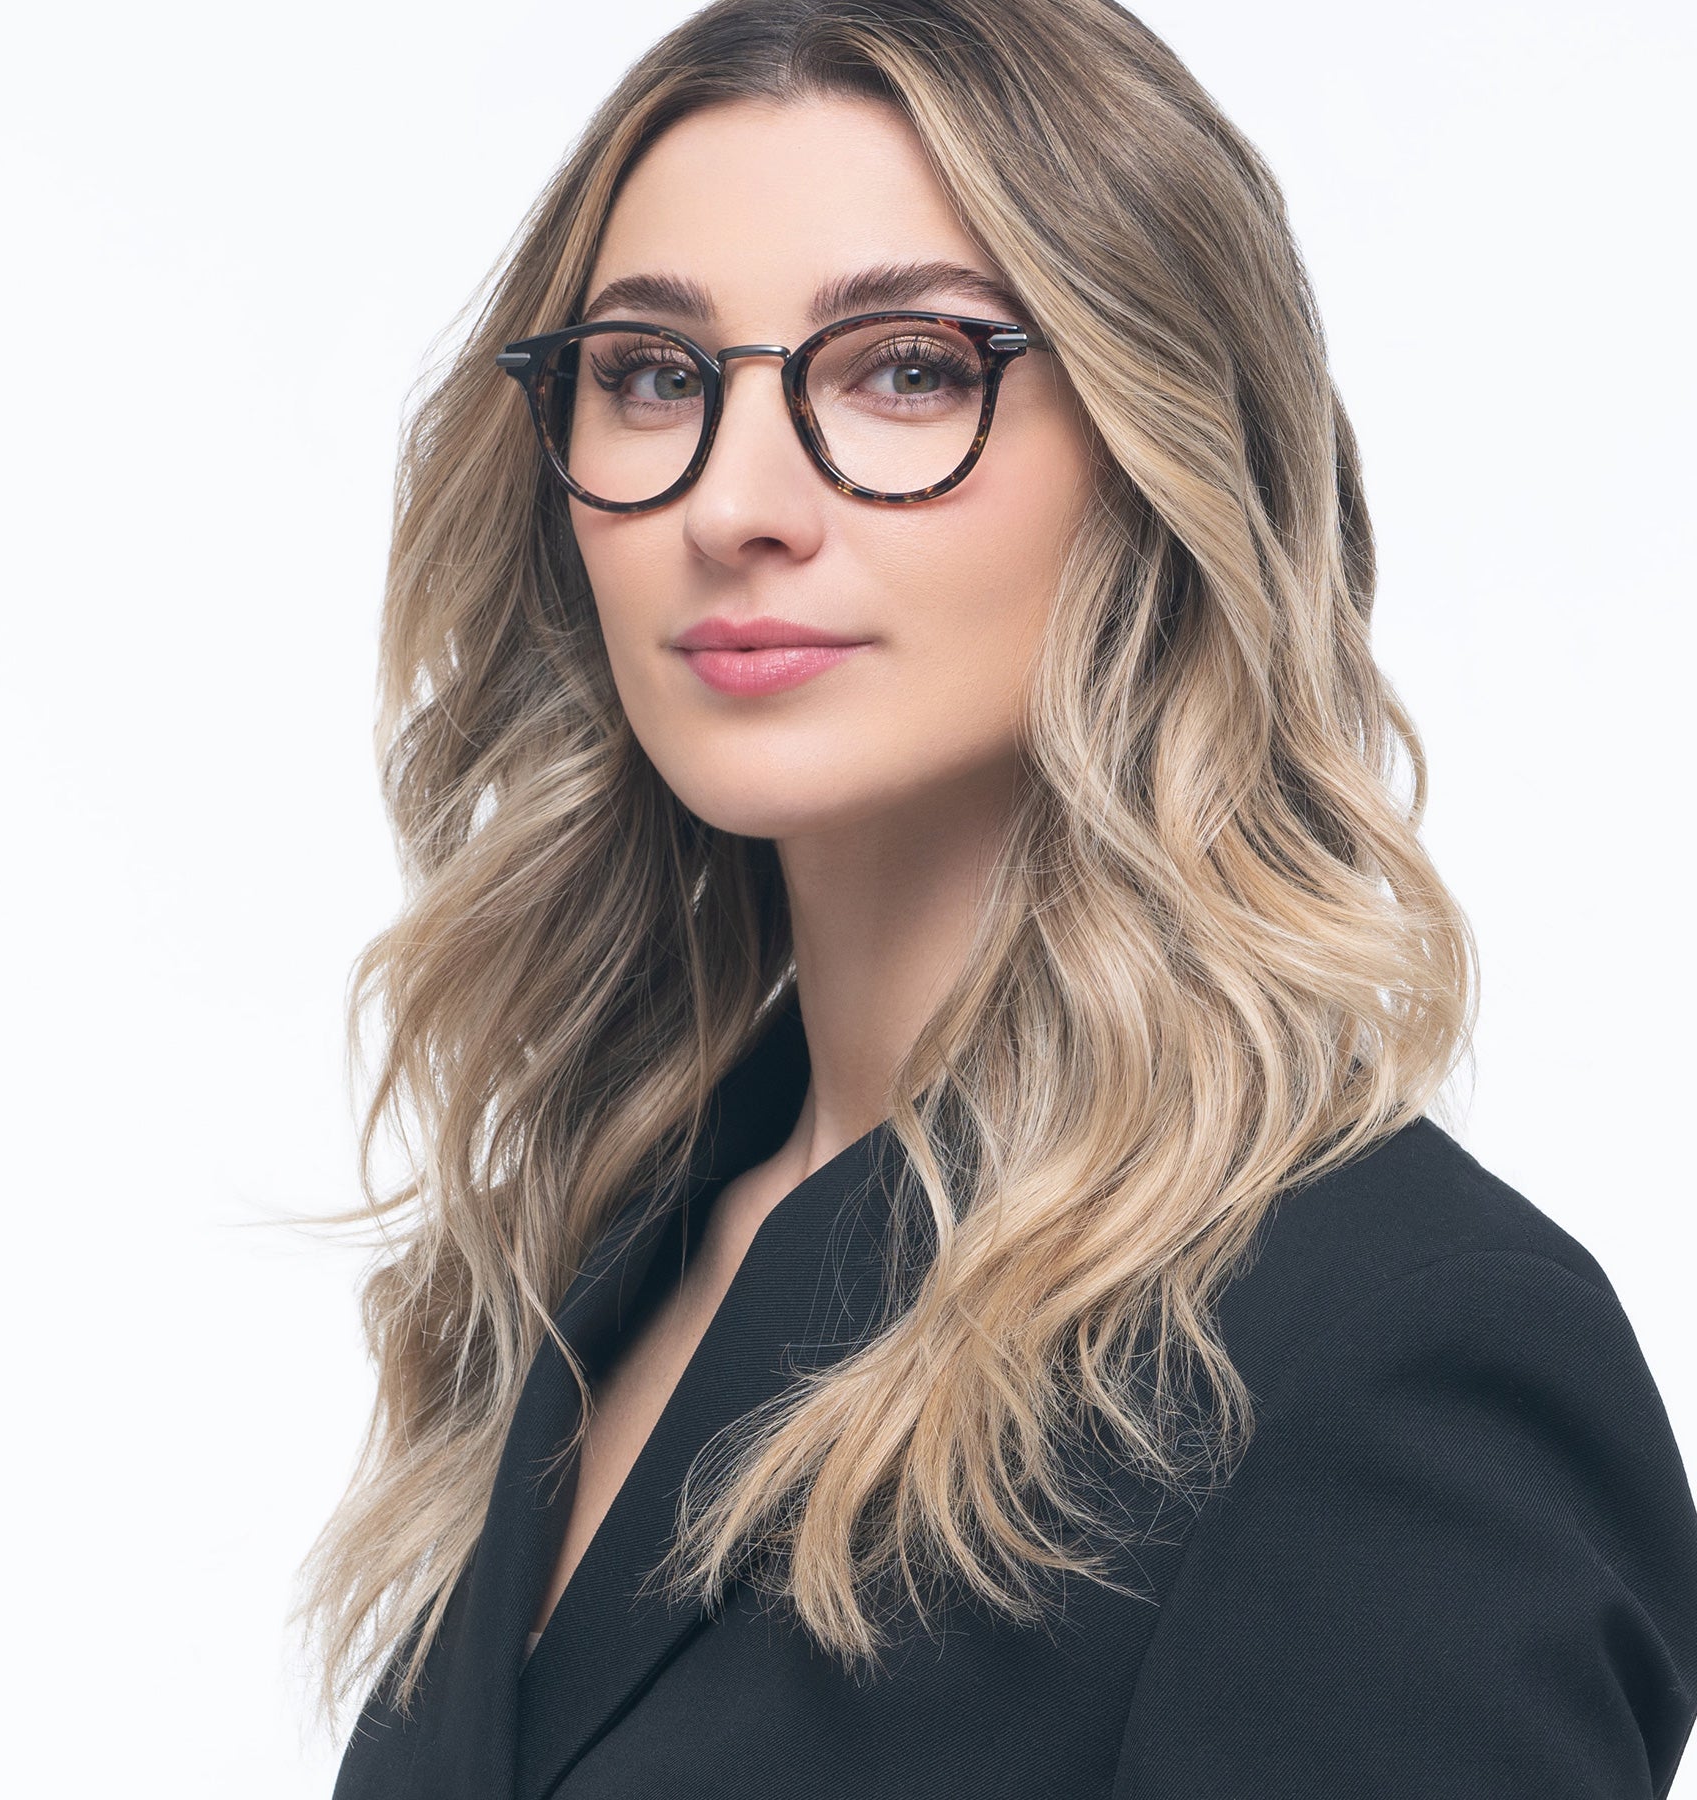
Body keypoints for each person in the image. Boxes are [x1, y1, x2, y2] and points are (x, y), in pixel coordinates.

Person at [295, 1, 1697, 1794]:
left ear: (1155, 446)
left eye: (907, 370)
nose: (734, 504)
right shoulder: (606, 1255)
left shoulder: (1381, 1348)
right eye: (651, 375)